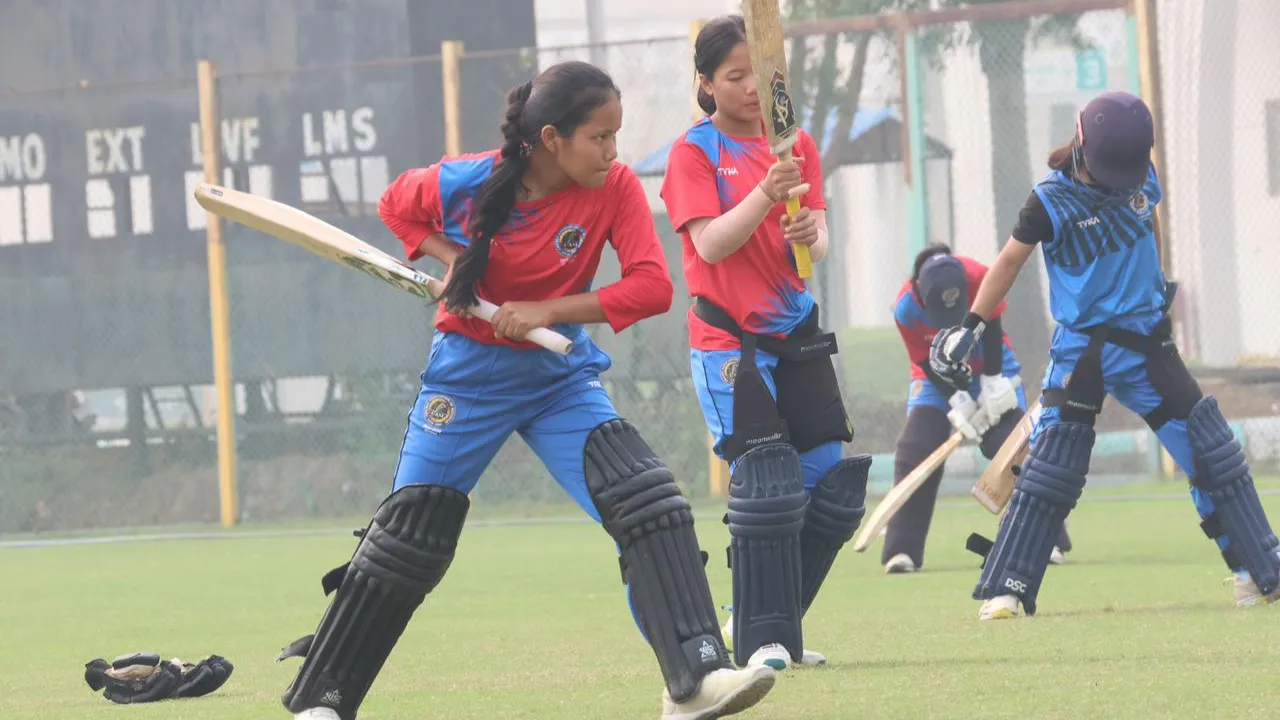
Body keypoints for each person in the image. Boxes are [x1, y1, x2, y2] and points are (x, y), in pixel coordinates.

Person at [277, 61, 777, 720]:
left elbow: (652, 286)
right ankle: (324, 701)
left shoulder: (616, 187)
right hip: (468, 375)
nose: (612, 152)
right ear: (551, 140)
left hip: (557, 381)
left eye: (615, 137)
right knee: (408, 538)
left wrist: (546, 310)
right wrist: (456, 261)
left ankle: (695, 679)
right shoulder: (470, 180)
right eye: (599, 138)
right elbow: (395, 204)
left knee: (649, 503)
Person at [930, 90, 1280, 620]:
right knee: (1052, 468)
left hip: (1146, 343)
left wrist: (1159, 283)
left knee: (1211, 455)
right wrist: (972, 326)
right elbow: (1008, 261)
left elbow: (1151, 220)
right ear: (1083, 142)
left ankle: (1254, 571)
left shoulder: (1142, 171)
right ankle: (1007, 586)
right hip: (1082, 349)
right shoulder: (1048, 200)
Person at [659, 14, 871, 672]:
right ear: (706, 83)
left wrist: (809, 230)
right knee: (769, 490)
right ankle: (764, 638)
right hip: (729, 343)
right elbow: (710, 244)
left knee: (829, 492)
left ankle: (764, 622)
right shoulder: (694, 152)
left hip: (798, 334)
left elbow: (820, 243)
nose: (752, 87)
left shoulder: (797, 143)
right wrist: (762, 193)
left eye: (762, 74)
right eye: (735, 76)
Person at [885, 244, 1074, 574]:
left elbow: (993, 330)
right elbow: (921, 358)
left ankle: (1047, 539)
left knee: (1014, 448)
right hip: (935, 380)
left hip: (990, 368)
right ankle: (902, 551)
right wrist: (960, 400)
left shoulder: (980, 277)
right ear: (918, 289)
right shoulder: (905, 307)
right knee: (913, 450)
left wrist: (991, 384)